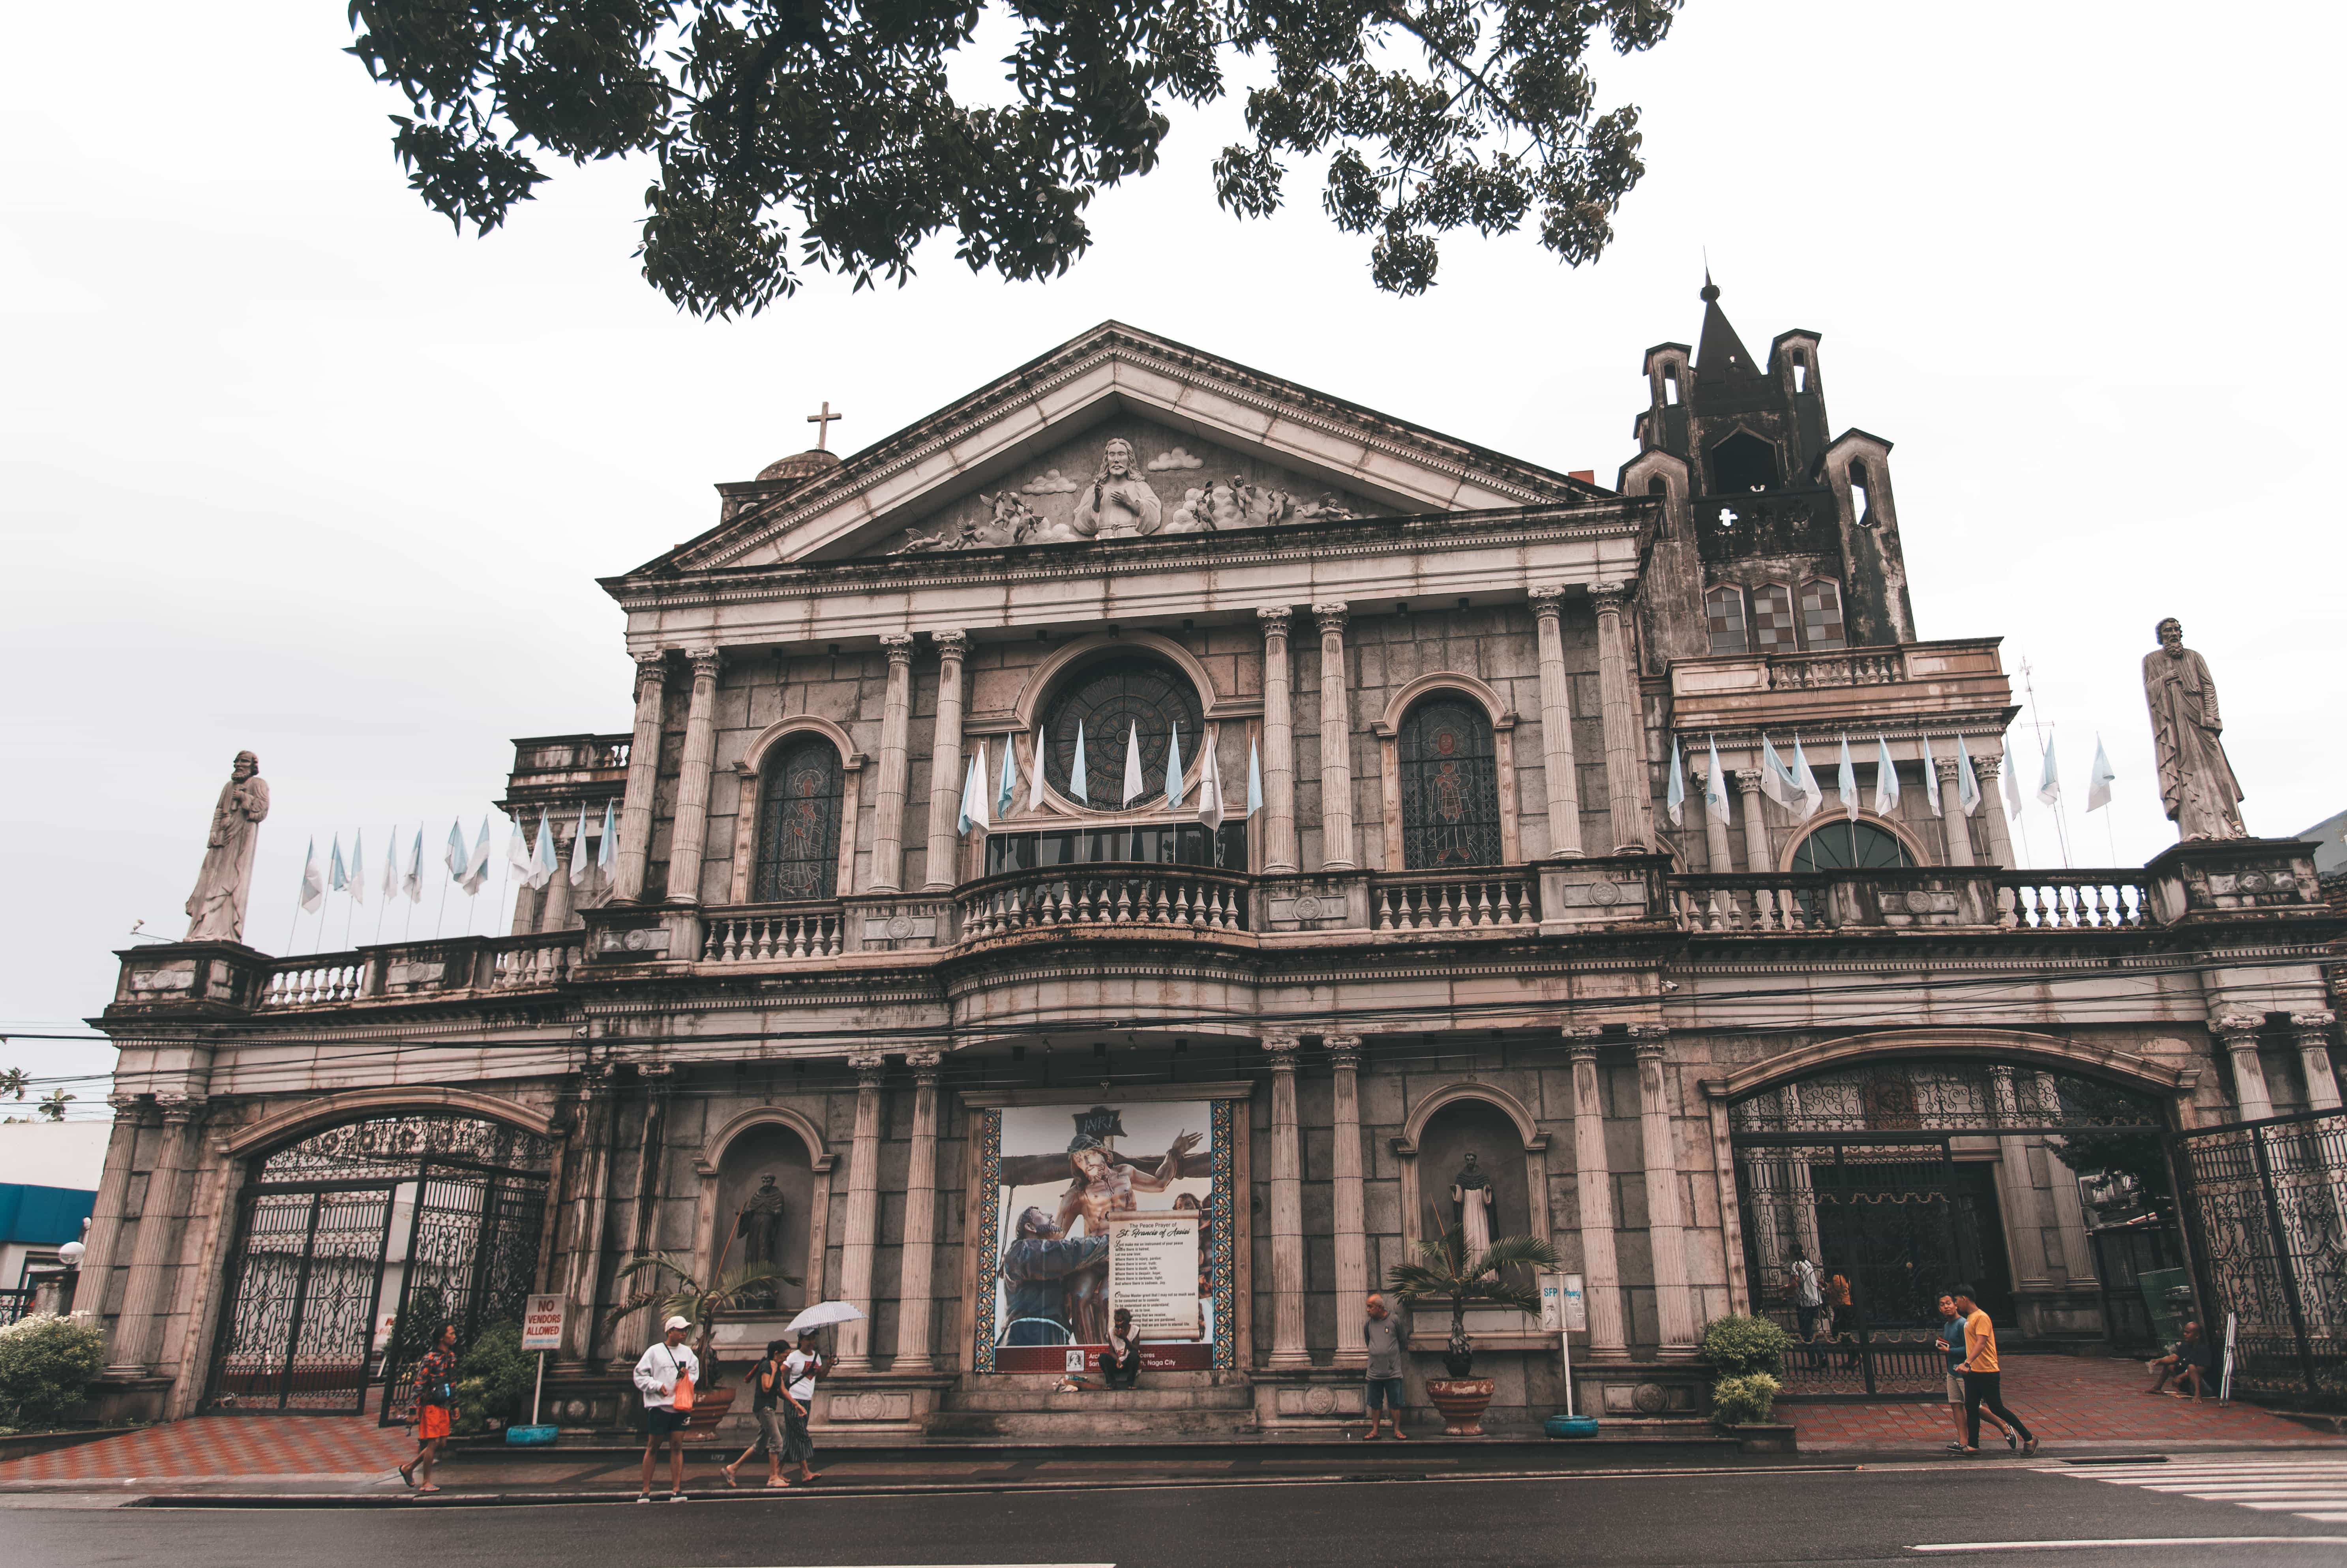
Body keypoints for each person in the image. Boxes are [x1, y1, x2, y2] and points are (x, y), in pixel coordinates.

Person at [1951, 1283, 2036, 1456]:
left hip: (1988, 1371)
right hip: (1974, 1372)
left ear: (1964, 1299)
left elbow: (1981, 1343)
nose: (1956, 1304)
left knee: (1997, 1408)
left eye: (1957, 1300)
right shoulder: (1969, 1319)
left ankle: (2029, 1438)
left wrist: (1967, 1362)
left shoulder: (1981, 1317)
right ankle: (1973, 1445)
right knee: (1972, 1408)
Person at [633, 1313, 699, 1502]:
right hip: (659, 1406)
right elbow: (640, 1375)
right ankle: (646, 1490)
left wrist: (686, 1381)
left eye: (686, 1330)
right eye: (680, 1330)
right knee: (653, 1446)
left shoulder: (687, 1353)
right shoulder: (654, 1352)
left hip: (680, 1406)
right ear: (670, 1331)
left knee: (677, 1445)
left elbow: (695, 1373)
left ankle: (677, 1489)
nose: (684, 1334)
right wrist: (656, 1386)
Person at [1935, 1294, 2012, 1454]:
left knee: (1974, 1407)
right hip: (1952, 1371)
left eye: (1949, 1303)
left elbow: (1971, 1348)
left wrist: (1950, 1351)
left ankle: (2002, 1425)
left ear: (1956, 1305)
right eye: (1942, 1305)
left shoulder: (1963, 1324)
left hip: (1965, 1371)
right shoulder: (1947, 1326)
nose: (1947, 1307)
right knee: (1956, 1405)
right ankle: (1964, 1442)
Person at [722, 1338, 791, 1489]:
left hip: (769, 1408)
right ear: (776, 1353)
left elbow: (782, 1390)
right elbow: (767, 1388)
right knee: (777, 1441)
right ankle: (773, 1477)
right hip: (764, 1409)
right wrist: (773, 1372)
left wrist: (796, 1405)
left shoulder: (776, 1367)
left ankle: (732, 1469)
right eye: (784, 1356)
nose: (786, 1359)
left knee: (760, 1445)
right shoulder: (767, 1366)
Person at [398, 1322, 457, 1493]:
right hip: (430, 1405)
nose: (454, 1337)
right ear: (442, 1337)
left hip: (443, 1404)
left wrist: (455, 1405)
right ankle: (426, 1482)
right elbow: (420, 1383)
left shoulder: (451, 1357)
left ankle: (408, 1468)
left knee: (442, 1442)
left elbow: (452, 1382)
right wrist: (412, 1410)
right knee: (432, 1443)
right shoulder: (430, 1358)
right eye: (451, 1334)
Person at [1359, 1292, 1410, 1441]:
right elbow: (1368, 1341)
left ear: (1380, 1307)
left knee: (1395, 1402)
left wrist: (1391, 1357)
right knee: (1375, 1403)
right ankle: (1375, 1431)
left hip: (1392, 1371)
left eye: (1370, 1307)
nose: (1368, 1310)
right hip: (1374, 1372)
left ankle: (1397, 1430)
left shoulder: (1394, 1320)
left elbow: (1402, 1341)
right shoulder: (1368, 1324)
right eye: (1367, 1307)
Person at [780, 1330, 823, 1484]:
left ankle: (776, 1472)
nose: (811, 1342)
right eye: (808, 1339)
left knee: (792, 1437)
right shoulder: (793, 1357)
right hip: (794, 1400)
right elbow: (779, 1374)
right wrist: (784, 1391)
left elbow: (821, 1377)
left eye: (813, 1339)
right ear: (800, 1341)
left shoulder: (817, 1357)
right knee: (800, 1433)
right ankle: (805, 1472)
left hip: (807, 1400)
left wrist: (829, 1365)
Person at [2149, 1320, 2216, 1400]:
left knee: (2191, 1367)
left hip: (2203, 1387)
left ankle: (2198, 1395)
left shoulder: (2203, 1349)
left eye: (2188, 1333)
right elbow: (2173, 1358)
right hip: (2188, 1384)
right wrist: (2159, 1360)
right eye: (2185, 1332)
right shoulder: (2185, 1345)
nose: (2185, 1335)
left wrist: (2180, 1377)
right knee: (2170, 1365)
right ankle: (2157, 1387)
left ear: (2197, 1336)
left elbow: (2200, 1371)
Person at [1100, 1308, 1141, 1389]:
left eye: (1120, 1321)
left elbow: (1136, 1349)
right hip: (1117, 1363)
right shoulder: (1112, 1332)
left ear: (1126, 1321)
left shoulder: (1135, 1330)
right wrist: (1117, 1360)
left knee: (1134, 1355)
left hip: (1129, 1364)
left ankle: (1130, 1384)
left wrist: (1124, 1338)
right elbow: (1111, 1352)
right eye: (1115, 1321)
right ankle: (1111, 1384)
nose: (1117, 1323)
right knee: (1103, 1357)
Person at [1790, 1254, 1825, 1342]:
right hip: (1815, 1300)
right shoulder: (1807, 1264)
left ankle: (1819, 1355)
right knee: (1809, 1331)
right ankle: (1820, 1354)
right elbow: (1805, 1282)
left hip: (1805, 1302)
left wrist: (1785, 1294)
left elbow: (1795, 1284)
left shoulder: (1796, 1265)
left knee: (1806, 1334)